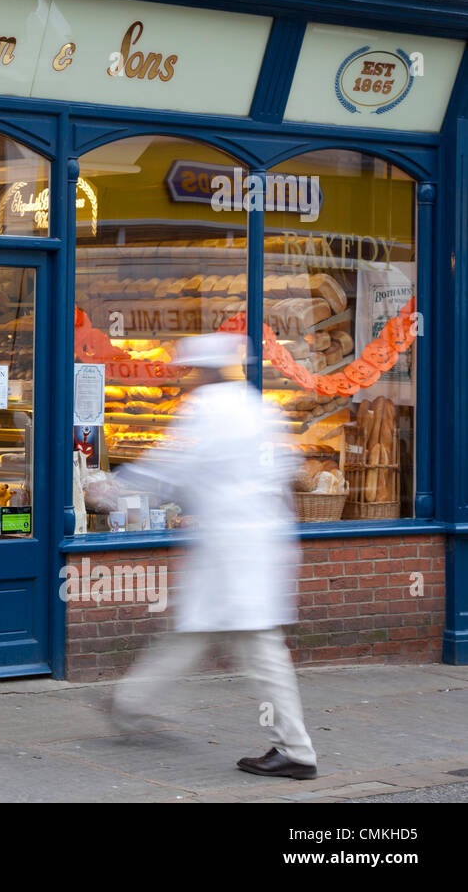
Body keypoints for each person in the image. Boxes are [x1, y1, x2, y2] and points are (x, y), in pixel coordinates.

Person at [108, 332, 318, 780]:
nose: (186, 381)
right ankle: (131, 702)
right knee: (197, 631)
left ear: (203, 371)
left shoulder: (205, 409)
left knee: (249, 647)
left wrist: (115, 482)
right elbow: (290, 466)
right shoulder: (258, 405)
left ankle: (297, 751)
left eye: (190, 373)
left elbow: (171, 466)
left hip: (232, 547)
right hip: (259, 541)